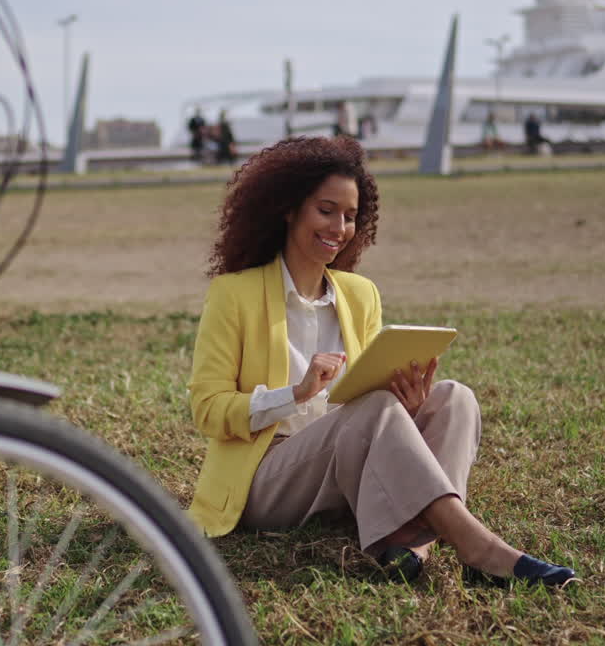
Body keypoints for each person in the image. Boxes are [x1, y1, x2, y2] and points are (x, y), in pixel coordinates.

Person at [187, 136, 576, 587]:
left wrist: (406, 404)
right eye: (326, 210)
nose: (339, 227)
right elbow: (207, 409)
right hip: (266, 478)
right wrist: (295, 394)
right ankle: (478, 548)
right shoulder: (234, 295)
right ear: (290, 208)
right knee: (372, 409)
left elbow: (366, 406)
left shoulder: (360, 294)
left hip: (343, 461)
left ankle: (411, 547)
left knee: (455, 398)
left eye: (351, 216)